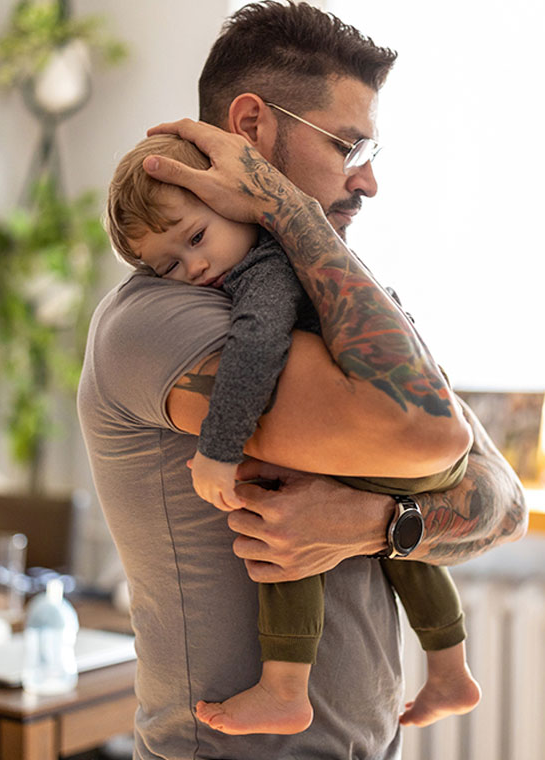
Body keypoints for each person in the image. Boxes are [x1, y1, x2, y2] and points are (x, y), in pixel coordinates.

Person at [78, 3, 526, 758]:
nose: (371, 180)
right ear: (250, 128)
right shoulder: (160, 318)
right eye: (348, 144)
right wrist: (287, 206)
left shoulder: (344, 298)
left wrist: (377, 523)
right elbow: (431, 435)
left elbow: (505, 503)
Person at [106, 132, 481, 736]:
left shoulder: (265, 270)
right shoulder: (288, 266)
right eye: (170, 265)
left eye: (197, 238)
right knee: (392, 541)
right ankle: (449, 670)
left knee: (279, 505)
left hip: (412, 437)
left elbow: (254, 349)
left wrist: (219, 450)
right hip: (428, 454)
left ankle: (284, 688)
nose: (194, 267)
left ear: (234, 202)